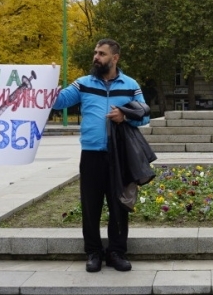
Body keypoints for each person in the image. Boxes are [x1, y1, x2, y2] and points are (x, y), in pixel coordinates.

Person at [52, 39, 150, 273]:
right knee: (90, 206)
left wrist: (124, 116)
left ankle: (116, 252)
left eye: (102, 53)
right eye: (95, 52)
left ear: (114, 58)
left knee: (118, 206)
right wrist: (49, 82)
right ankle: (93, 252)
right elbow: (58, 102)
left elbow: (145, 114)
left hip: (120, 156)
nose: (96, 57)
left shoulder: (130, 84)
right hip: (91, 155)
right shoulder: (83, 84)